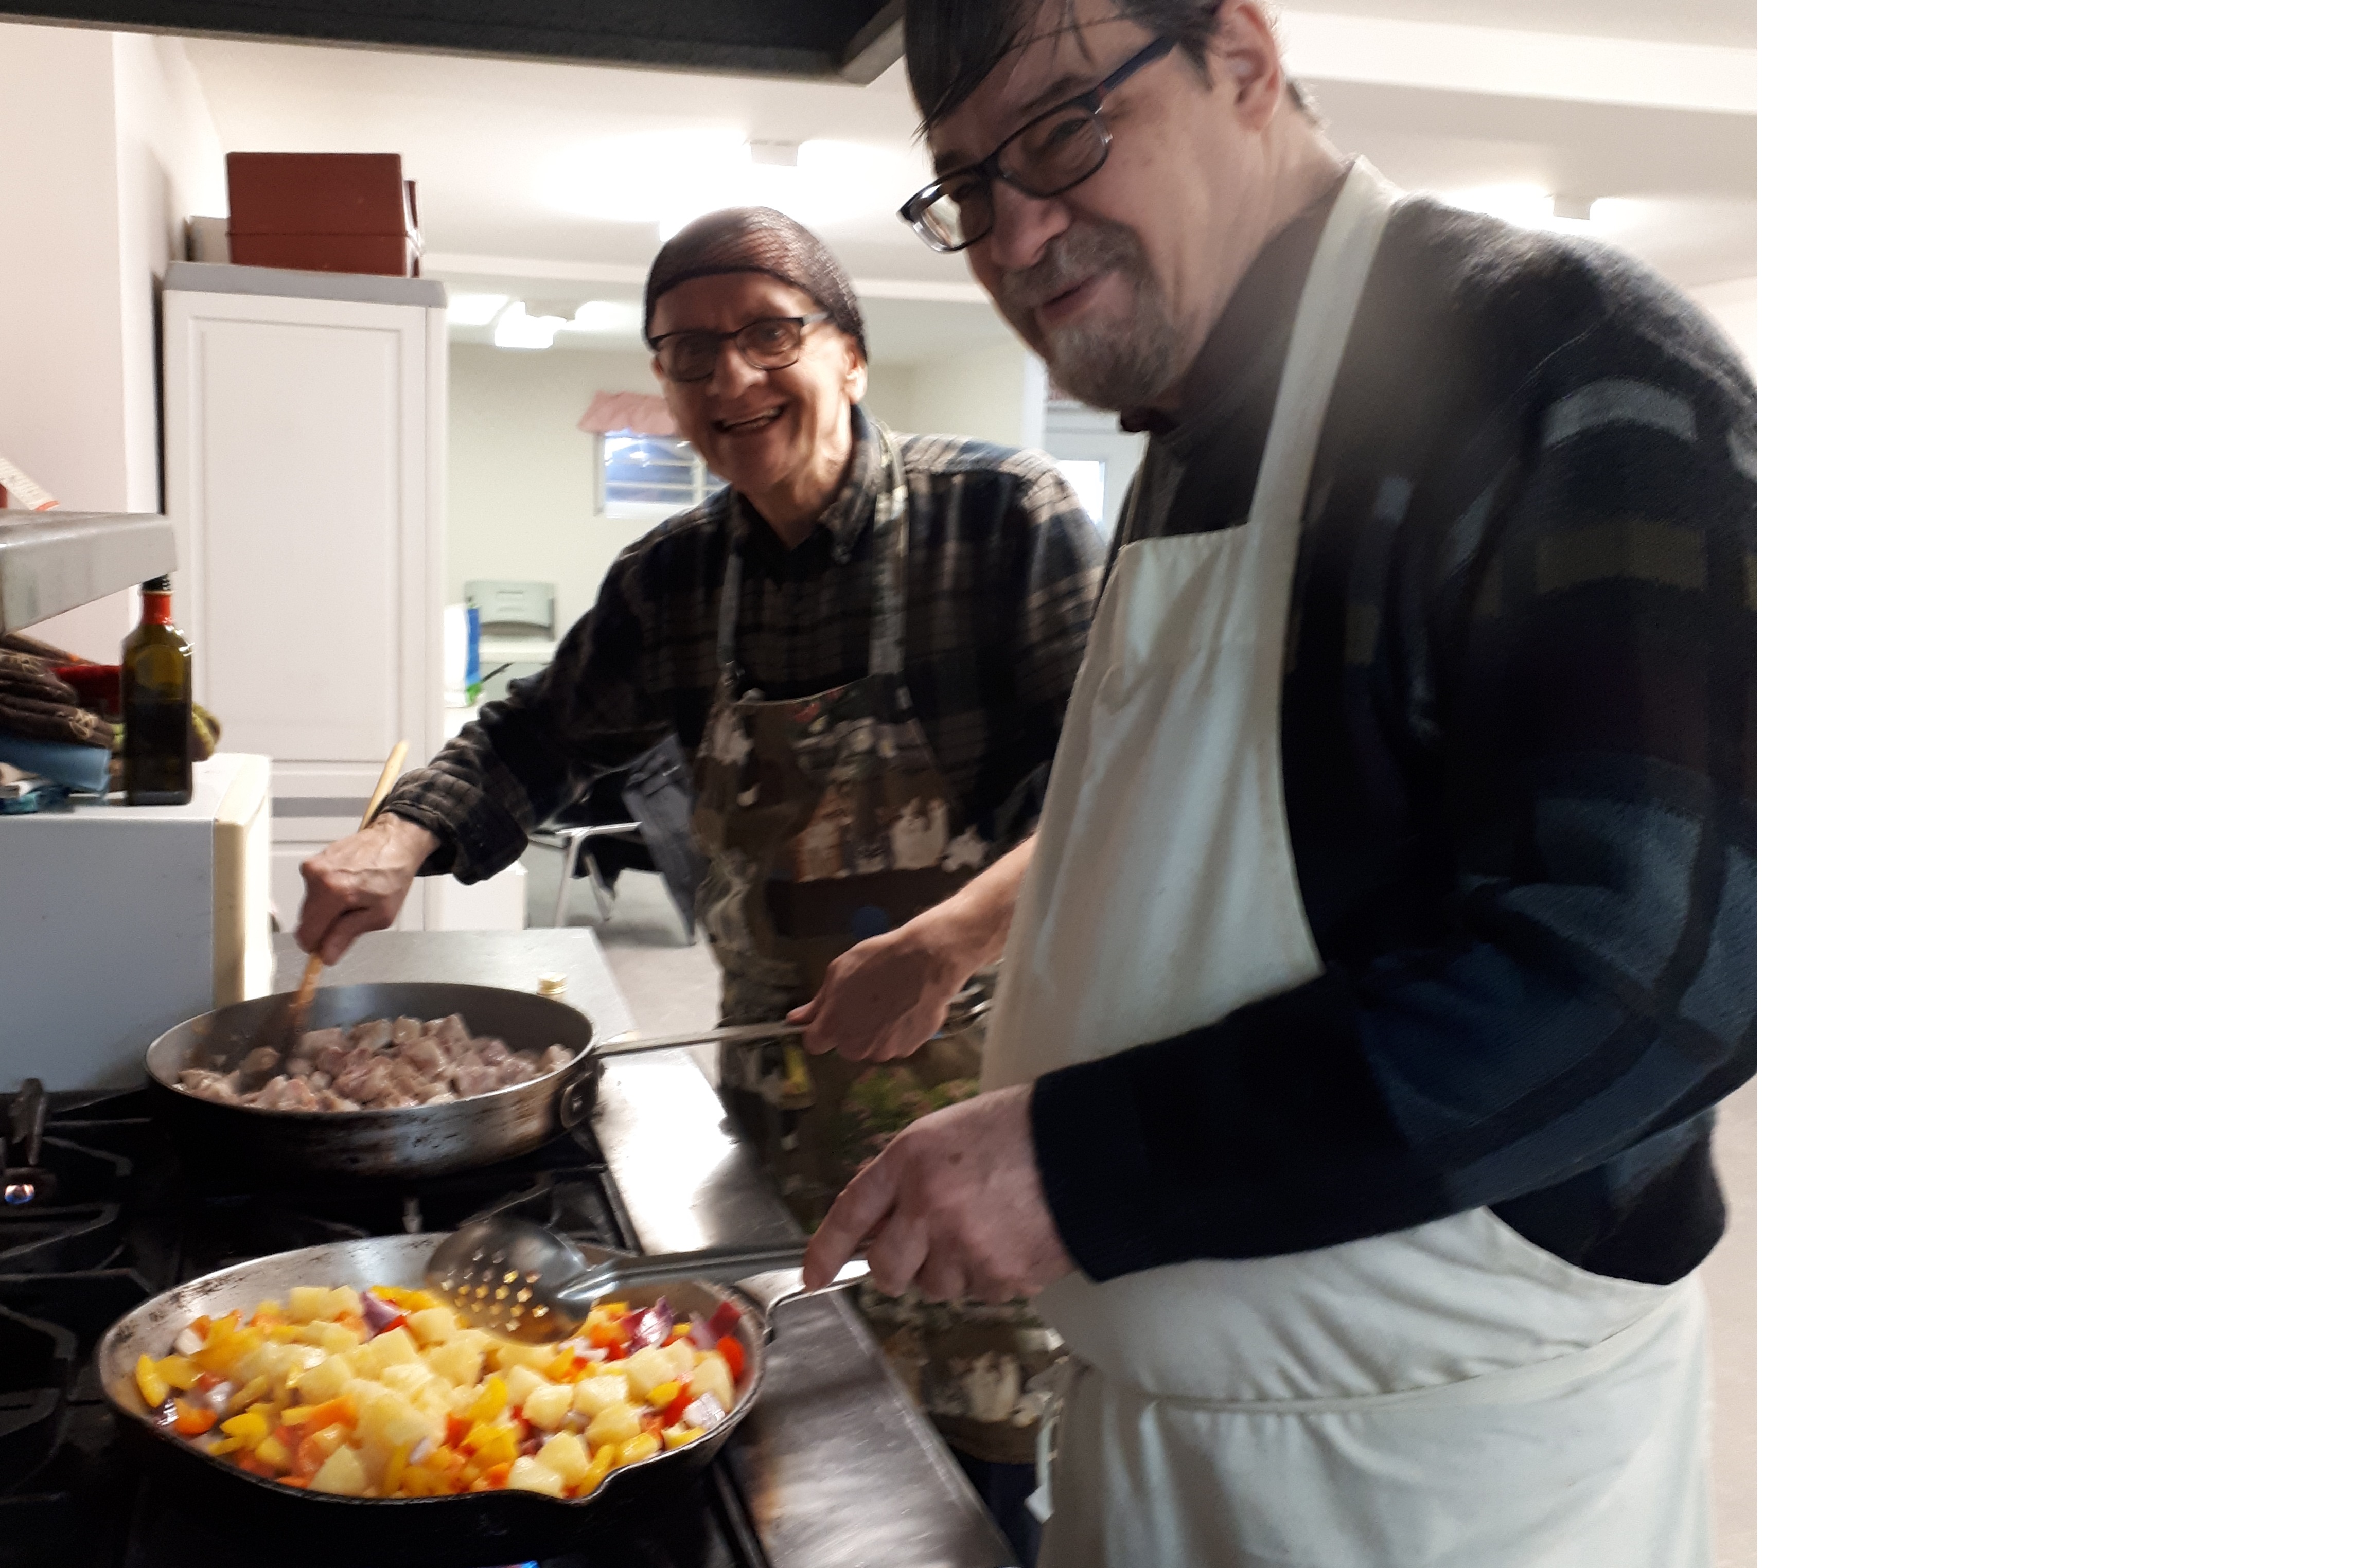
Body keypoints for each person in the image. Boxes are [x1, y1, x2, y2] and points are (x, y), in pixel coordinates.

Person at [789, 2, 1758, 1564]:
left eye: (1062, 131)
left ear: (1241, 59)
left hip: (1436, 1484)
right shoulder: (1197, 434)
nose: (1016, 232)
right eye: (967, 185)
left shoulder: (1562, 357)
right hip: (1162, 1440)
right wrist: (976, 954)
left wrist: (1083, 1165)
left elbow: (1657, 972)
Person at [293, 207, 1105, 1532]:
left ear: (849, 353)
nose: (730, 376)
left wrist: (949, 938)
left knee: (973, 1480)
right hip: (773, 1103)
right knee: (800, 1464)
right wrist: (401, 836)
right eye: (687, 353)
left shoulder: (1002, 517)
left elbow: (1121, 791)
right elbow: (534, 734)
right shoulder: (674, 581)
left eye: (769, 335)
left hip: (985, 1096)